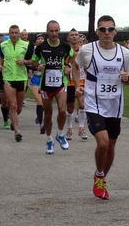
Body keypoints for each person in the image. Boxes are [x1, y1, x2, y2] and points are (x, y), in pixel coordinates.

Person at [73, 15, 129, 200]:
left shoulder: (125, 54)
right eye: (103, 29)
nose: (106, 33)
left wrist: (127, 78)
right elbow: (75, 67)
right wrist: (78, 86)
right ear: (98, 31)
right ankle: (100, 175)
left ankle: (101, 177)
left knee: (111, 145)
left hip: (115, 104)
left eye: (110, 29)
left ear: (115, 31)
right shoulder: (87, 50)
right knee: (103, 142)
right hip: (93, 103)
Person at [29, 20, 74, 154]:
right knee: (48, 114)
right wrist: (38, 66)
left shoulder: (65, 47)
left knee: (62, 110)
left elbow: (71, 57)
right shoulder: (41, 47)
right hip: (46, 85)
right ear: (47, 31)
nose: (54, 34)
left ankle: (60, 134)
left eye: (56, 31)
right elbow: (34, 61)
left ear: (59, 31)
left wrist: (68, 66)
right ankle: (49, 140)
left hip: (61, 83)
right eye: (51, 31)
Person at [0, 25, 33, 142]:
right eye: (12, 32)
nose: (14, 35)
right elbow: (1, 58)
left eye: (16, 33)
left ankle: (14, 119)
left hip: (21, 78)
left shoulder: (26, 45)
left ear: (19, 34)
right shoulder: (3, 45)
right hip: (8, 78)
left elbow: (34, 61)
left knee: (19, 107)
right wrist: (0, 65)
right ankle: (17, 131)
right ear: (9, 33)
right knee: (12, 105)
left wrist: (25, 61)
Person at [65, 28, 88, 141]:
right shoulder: (66, 50)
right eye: (72, 35)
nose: (74, 37)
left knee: (82, 104)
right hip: (69, 82)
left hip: (82, 81)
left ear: (79, 37)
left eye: (76, 35)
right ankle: (69, 129)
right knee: (70, 107)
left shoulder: (83, 50)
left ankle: (81, 128)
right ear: (68, 38)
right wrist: (67, 67)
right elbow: (63, 64)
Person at [29, 34, 45, 134]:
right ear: (36, 41)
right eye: (38, 39)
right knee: (39, 100)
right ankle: (41, 124)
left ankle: (40, 115)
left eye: (42, 38)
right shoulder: (33, 50)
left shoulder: (48, 50)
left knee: (45, 101)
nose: (40, 40)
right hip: (35, 77)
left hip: (46, 78)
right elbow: (30, 61)